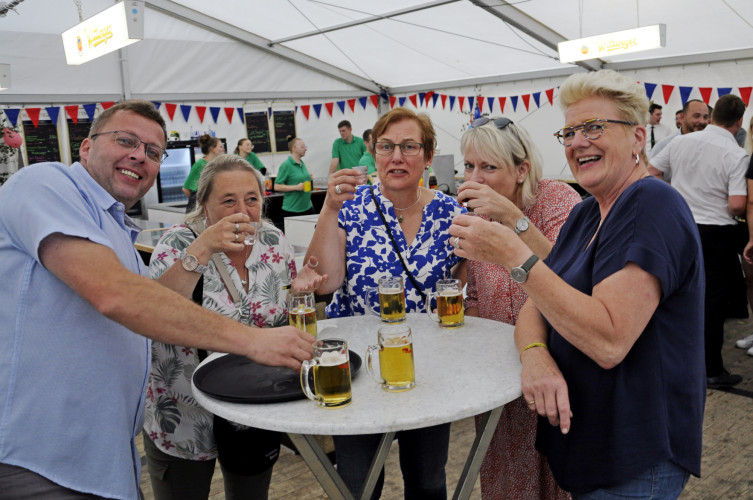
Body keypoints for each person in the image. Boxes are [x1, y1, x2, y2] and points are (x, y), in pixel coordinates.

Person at [0, 100, 314, 499]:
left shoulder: (118, 233)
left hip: (104, 456)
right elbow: (118, 296)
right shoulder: (44, 182)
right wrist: (254, 340)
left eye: (152, 152)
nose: (139, 156)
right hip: (36, 457)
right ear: (85, 147)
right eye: (125, 140)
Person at [450, 70, 705, 498]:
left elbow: (608, 341)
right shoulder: (587, 213)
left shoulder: (652, 204)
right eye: (568, 131)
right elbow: (539, 303)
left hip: (633, 452)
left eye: (594, 127)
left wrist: (513, 253)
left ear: (638, 138)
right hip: (589, 442)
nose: (577, 141)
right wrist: (535, 356)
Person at [305, 107, 466, 499]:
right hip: (358, 365)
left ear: (428, 157)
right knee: (359, 483)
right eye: (387, 147)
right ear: (373, 155)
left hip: (429, 365)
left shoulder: (452, 212)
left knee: (428, 480)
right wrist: (328, 207)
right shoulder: (350, 207)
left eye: (410, 147)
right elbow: (325, 281)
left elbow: (463, 288)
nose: (397, 156)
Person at [144, 154, 325, 500]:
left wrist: (298, 294)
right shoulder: (176, 243)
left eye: (251, 199)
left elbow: (278, 323)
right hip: (183, 413)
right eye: (228, 201)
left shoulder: (273, 242)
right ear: (203, 204)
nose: (242, 210)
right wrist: (204, 246)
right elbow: (155, 313)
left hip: (252, 409)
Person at [456, 116, 580, 500]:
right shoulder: (476, 219)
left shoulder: (559, 199)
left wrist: (513, 218)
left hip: (557, 369)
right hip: (501, 377)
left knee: (562, 475)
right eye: (469, 166)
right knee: (508, 478)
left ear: (522, 169)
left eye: (489, 167)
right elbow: (474, 296)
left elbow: (572, 274)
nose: (475, 178)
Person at [649, 94, 748, 387]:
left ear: (713, 115)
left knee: (677, 293)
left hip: (679, 226)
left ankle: (671, 361)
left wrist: (675, 200)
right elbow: (737, 205)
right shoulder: (736, 154)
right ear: (739, 121)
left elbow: (650, 175)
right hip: (716, 233)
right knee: (713, 302)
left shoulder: (680, 142)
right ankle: (711, 370)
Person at [274, 135, 314, 217]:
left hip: (308, 208)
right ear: (294, 148)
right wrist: (295, 187)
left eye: (305, 147)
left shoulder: (302, 163)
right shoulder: (286, 165)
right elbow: (276, 186)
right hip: (292, 210)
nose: (305, 149)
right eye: (302, 147)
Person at [183, 134, 224, 212]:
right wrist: (198, 205)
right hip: (198, 208)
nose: (223, 149)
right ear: (212, 149)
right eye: (220, 147)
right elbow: (186, 189)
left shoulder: (217, 164)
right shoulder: (199, 165)